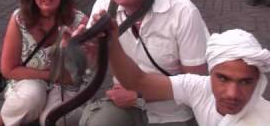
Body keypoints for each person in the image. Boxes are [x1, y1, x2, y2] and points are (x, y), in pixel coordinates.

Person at [79, 0, 209, 126]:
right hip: (125, 108)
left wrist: (139, 96)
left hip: (173, 116)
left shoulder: (183, 12)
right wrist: (79, 52)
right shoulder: (104, 4)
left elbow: (199, 85)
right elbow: (87, 68)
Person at [103, 27, 270, 126]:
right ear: (210, 74)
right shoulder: (200, 88)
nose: (232, 93)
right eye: (223, 79)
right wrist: (111, 42)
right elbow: (139, 82)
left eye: (246, 82)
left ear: (258, 82)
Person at [0, 0, 88, 126]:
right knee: (31, 97)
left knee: (53, 117)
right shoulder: (19, 19)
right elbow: (8, 69)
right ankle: (5, 120)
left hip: (67, 86)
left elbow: (82, 73)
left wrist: (72, 52)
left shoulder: (80, 22)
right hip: (28, 81)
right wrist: (50, 75)